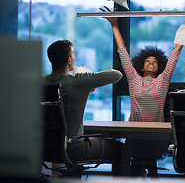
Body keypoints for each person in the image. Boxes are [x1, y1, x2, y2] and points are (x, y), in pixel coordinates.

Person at [102, 6, 185, 176]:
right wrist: (114, 25)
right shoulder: (134, 79)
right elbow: (123, 53)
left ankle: (139, 176)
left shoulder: (162, 81)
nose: (151, 62)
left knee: (140, 152)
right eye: (148, 61)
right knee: (142, 149)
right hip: (135, 133)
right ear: (141, 67)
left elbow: (175, 54)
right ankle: (152, 176)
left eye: (155, 61)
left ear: (159, 68)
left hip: (156, 135)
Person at [44, 40, 130, 176]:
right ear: (68, 60)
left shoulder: (40, 82)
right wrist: (90, 80)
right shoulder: (79, 81)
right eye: (73, 55)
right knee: (123, 150)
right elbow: (117, 75)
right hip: (75, 148)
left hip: (46, 148)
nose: (74, 58)